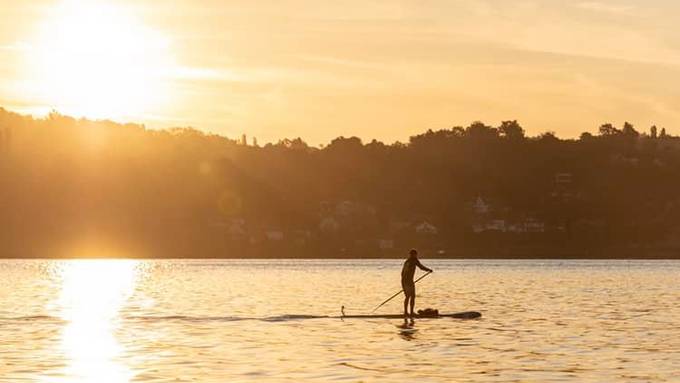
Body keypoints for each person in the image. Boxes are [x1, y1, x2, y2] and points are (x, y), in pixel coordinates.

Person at [401, 248, 432, 318]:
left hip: (406, 281)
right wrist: (428, 270)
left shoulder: (407, 261)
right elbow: (421, 267)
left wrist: (404, 281)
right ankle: (409, 312)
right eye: (415, 255)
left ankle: (408, 312)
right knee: (410, 296)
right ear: (414, 255)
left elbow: (402, 273)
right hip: (407, 281)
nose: (416, 256)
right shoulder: (413, 260)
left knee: (409, 296)